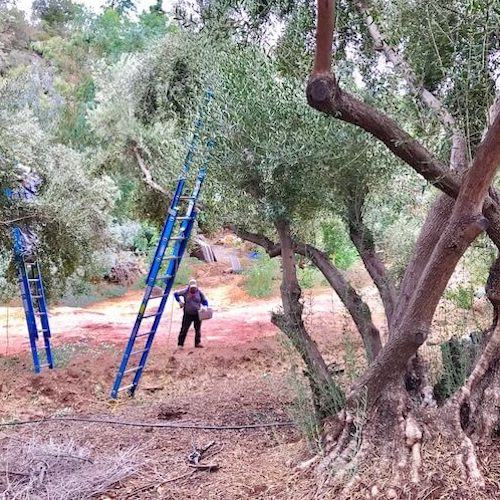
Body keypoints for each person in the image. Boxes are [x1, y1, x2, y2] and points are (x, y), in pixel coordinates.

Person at [174, 279, 209, 349]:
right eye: (191, 287)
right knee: (184, 329)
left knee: (197, 329)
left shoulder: (199, 292)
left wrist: (205, 307)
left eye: (194, 287)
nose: (193, 289)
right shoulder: (185, 291)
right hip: (188, 314)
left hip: (197, 313)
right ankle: (180, 344)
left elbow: (205, 301)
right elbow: (176, 294)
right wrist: (179, 302)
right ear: (189, 286)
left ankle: (197, 343)